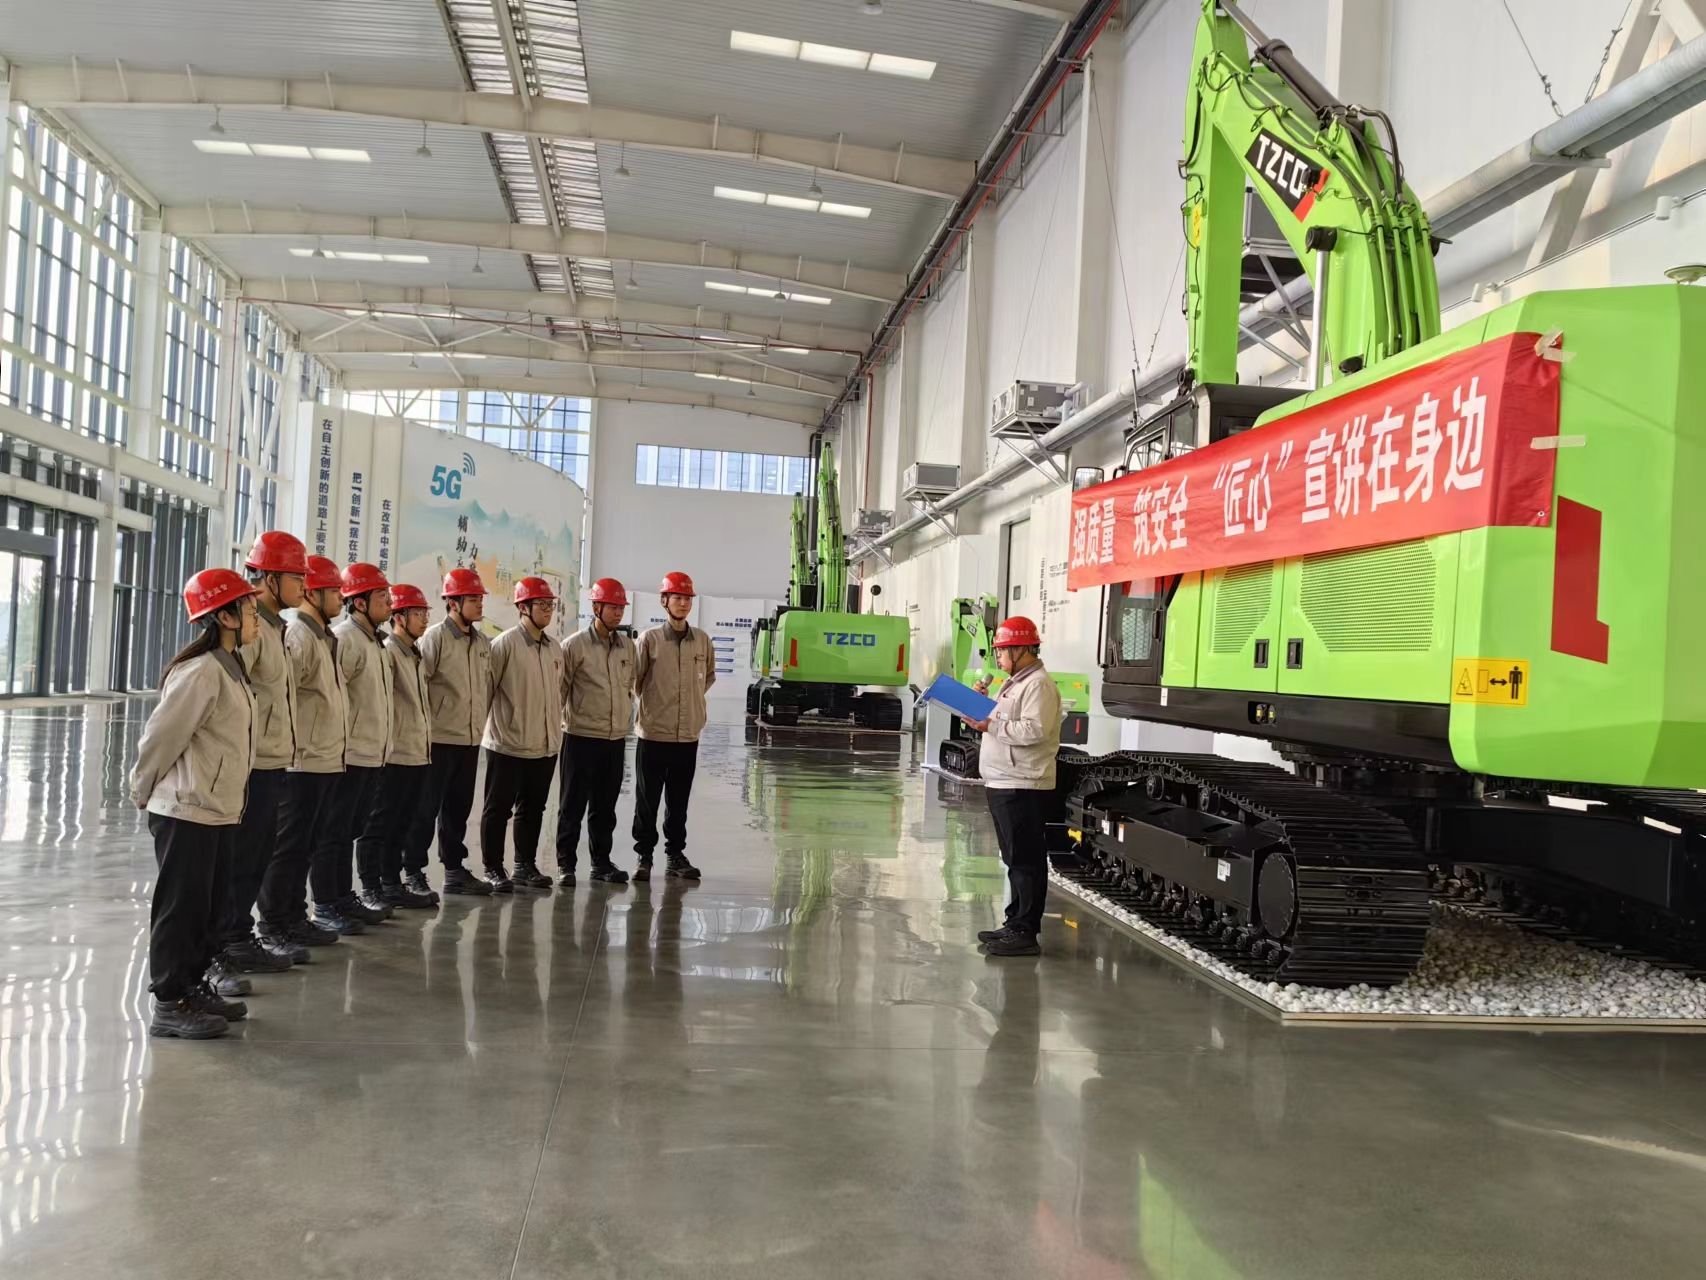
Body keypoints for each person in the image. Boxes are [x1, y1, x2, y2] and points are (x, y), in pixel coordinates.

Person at [129, 569, 260, 1039]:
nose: (255, 618)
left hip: (217, 807)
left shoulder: (230, 668)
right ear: (224, 616)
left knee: (208, 909)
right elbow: (160, 738)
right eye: (249, 610)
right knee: (181, 910)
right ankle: (169, 1002)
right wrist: (142, 788)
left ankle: (192, 986)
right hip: (186, 809)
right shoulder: (200, 672)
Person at [224, 530, 309, 975]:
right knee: (243, 859)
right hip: (253, 765)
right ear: (270, 579)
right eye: (296, 577)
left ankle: (241, 936)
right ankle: (231, 940)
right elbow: (234, 697)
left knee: (259, 856)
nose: (303, 586)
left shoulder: (277, 630)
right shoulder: (254, 632)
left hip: (275, 762)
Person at [259, 554, 349, 952]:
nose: (342, 598)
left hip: (323, 758)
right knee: (289, 848)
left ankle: (294, 917)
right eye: (335, 590)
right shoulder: (299, 636)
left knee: (307, 846)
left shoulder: (322, 637)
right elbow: (281, 696)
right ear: (314, 594)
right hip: (303, 762)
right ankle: (274, 924)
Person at [968, 616, 1062, 957]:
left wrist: (990, 725)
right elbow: (1001, 721)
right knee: (1013, 858)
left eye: (1003, 650)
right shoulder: (1013, 683)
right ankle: (1014, 923)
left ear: (1023, 649)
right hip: (1004, 779)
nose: (999, 656)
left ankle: (1025, 931)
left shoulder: (1038, 685)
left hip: (1023, 782)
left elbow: (1034, 730)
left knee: (1025, 859)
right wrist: (979, 708)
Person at [479, 576, 565, 893]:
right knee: (498, 809)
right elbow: (487, 690)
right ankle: (492, 867)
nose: (548, 609)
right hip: (508, 743)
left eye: (550, 604)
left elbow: (559, 692)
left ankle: (524, 866)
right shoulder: (505, 645)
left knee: (533, 808)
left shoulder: (554, 648)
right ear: (523, 607)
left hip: (543, 744)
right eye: (541, 604)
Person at [416, 567, 494, 896]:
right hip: (439, 739)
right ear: (453, 602)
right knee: (426, 809)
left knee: (458, 809)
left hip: (470, 739)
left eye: (479, 598)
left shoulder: (482, 642)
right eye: (473, 599)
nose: (479, 604)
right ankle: (413, 871)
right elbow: (419, 684)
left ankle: (453, 869)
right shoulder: (435, 638)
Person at [325, 562, 395, 928]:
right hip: (350, 754)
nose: (389, 602)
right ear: (360, 602)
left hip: (372, 754)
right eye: (382, 596)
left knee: (349, 831)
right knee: (334, 833)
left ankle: (343, 897)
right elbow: (335, 699)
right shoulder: (346, 640)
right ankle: (327, 905)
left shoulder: (375, 642)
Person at [361, 582, 439, 909]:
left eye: (424, 613)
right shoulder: (389, 652)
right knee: (379, 823)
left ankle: (392, 883)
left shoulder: (414, 653)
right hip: (393, 754)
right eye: (417, 613)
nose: (424, 619)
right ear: (399, 617)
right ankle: (370, 887)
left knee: (402, 823)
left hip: (416, 752)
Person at [631, 571, 713, 881]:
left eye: (687, 598)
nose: (683, 603)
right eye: (677, 597)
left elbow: (707, 678)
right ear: (664, 601)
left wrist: (688, 707)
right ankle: (644, 856)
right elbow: (636, 682)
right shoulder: (649, 640)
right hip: (654, 734)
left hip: (687, 737)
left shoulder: (702, 641)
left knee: (678, 802)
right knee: (647, 800)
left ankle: (675, 855)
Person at [556, 577, 636, 886]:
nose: (618, 612)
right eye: (612, 606)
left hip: (614, 739)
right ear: (596, 607)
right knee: (572, 806)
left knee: (605, 807)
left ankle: (601, 863)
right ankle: (566, 865)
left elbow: (632, 684)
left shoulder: (627, 647)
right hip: (580, 737)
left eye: (621, 607)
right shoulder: (574, 646)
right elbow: (560, 692)